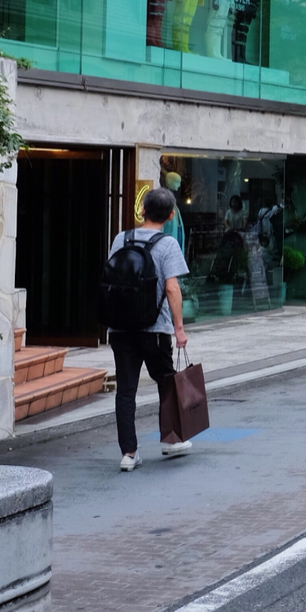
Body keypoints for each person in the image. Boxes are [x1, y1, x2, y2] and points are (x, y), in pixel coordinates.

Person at [107, 187, 191, 473]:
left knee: (125, 390)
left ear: (142, 210)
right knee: (167, 384)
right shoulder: (168, 244)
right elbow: (171, 287)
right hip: (155, 330)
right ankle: (172, 439)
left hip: (120, 328)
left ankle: (128, 453)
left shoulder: (121, 238)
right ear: (170, 215)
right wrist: (179, 329)